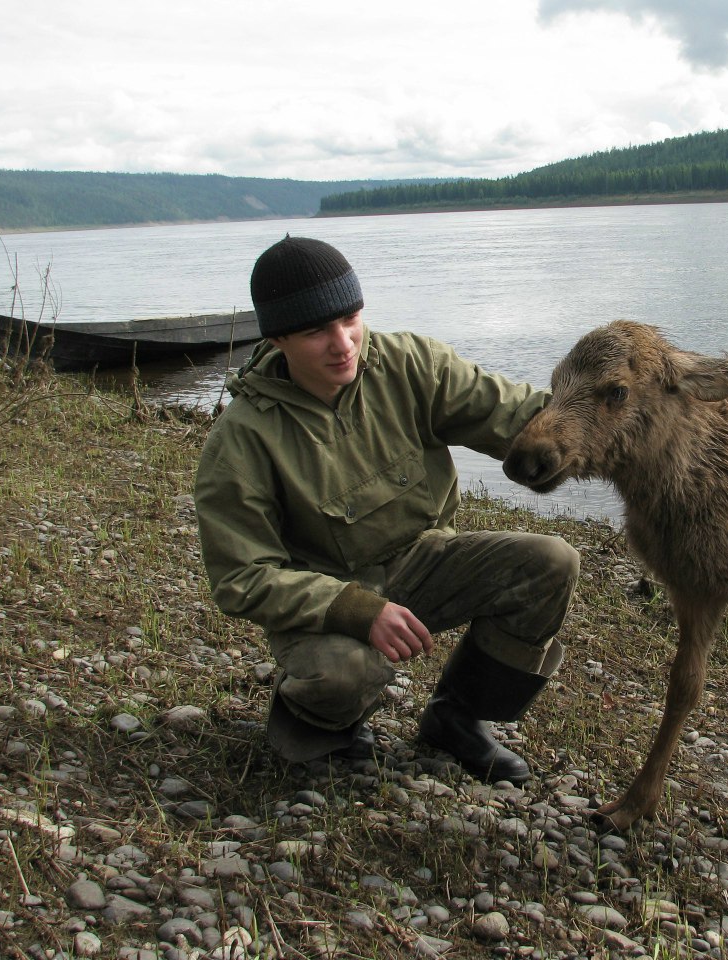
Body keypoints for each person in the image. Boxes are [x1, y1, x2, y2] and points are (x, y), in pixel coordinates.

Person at [195, 235, 579, 783]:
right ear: (277, 338)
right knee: (346, 674)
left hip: (424, 561)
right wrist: (356, 610)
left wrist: (603, 434)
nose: (343, 343)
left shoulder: (408, 363)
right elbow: (241, 577)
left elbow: (513, 413)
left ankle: (457, 718)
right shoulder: (241, 441)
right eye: (316, 331)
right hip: (325, 598)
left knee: (551, 562)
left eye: (350, 319)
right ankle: (315, 727)